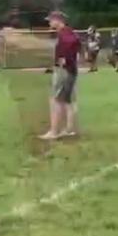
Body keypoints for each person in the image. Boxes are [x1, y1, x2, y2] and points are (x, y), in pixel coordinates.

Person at [39, 11, 80, 141]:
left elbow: (69, 46)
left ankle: (54, 131)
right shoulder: (70, 32)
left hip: (64, 71)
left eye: (51, 20)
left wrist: (62, 61)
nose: (49, 23)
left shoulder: (64, 33)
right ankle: (69, 129)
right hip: (71, 70)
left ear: (58, 20)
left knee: (55, 100)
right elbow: (77, 45)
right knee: (68, 100)